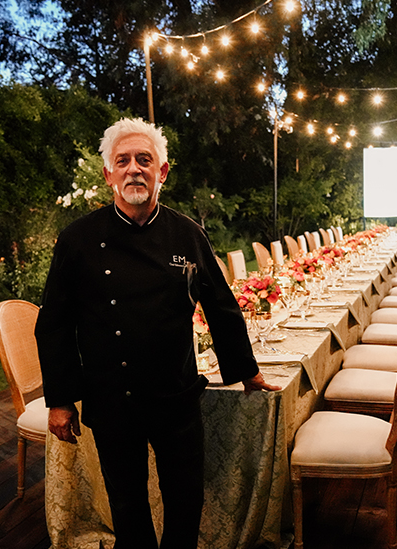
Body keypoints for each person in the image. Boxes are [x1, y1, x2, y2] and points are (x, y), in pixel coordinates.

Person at [34, 117, 280, 549]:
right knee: (127, 508)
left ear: (161, 171)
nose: (134, 169)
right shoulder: (78, 240)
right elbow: (53, 324)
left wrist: (246, 370)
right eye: (123, 161)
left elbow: (220, 307)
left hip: (176, 395)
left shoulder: (187, 233)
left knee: (185, 502)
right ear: (108, 173)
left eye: (144, 160)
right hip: (112, 399)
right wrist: (59, 401)